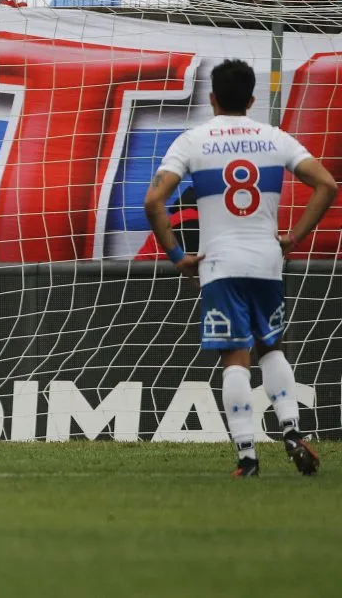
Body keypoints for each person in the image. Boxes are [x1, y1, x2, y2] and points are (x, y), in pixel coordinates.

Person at [144, 58, 337, 477]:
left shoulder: (193, 141)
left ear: (212, 98)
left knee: (235, 356)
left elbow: (153, 202)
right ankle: (290, 428)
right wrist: (295, 237)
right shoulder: (275, 138)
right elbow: (327, 185)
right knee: (271, 346)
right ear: (252, 99)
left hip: (220, 261)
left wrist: (179, 257)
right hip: (267, 259)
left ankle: (248, 456)